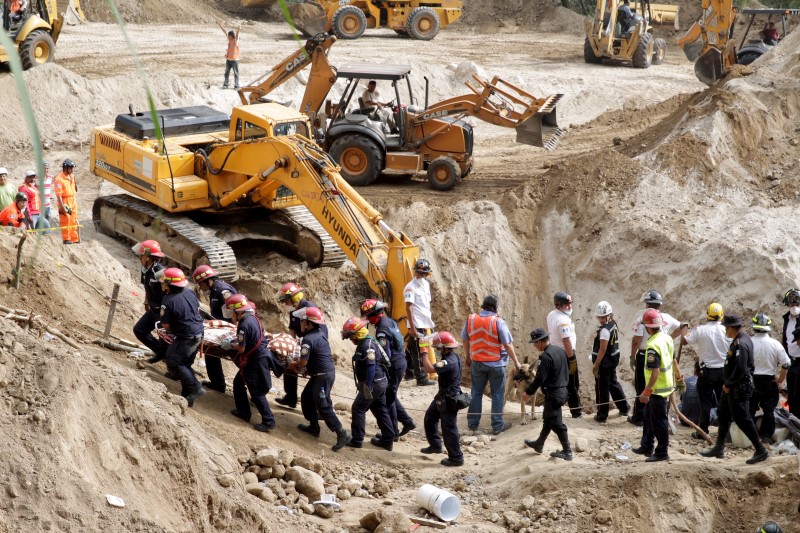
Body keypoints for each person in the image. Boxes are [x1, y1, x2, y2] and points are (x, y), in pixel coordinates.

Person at [700, 315, 769, 464]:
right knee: (722, 413)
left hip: (738, 387)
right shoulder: (741, 340)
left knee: (742, 418)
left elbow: (741, 369)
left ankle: (760, 449)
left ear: (731, 328)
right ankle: (719, 447)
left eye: (726, 328)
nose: (725, 331)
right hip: (733, 386)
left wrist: (728, 385)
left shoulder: (741, 344)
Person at [291, 306, 352, 451]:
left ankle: (341, 433)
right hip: (322, 374)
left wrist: (295, 365)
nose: (301, 324)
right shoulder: (320, 333)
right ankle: (313, 426)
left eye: (303, 322)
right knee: (306, 397)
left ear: (309, 323)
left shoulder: (308, 339)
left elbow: (303, 361)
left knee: (323, 405)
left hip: (322, 377)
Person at [461, 294, 521, 435]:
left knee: (476, 392)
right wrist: (517, 362)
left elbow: (465, 339)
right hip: (496, 364)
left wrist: (467, 356)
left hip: (477, 362)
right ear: (496, 307)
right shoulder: (498, 322)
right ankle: (497, 425)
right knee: (498, 394)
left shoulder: (471, 319)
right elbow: (507, 344)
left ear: (483, 305)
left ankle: (473, 424)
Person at [361, 299, 416, 441]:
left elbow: (385, 354)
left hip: (394, 365)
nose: (367, 319)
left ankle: (393, 433)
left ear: (375, 314)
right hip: (400, 361)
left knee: (387, 399)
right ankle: (405, 423)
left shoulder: (382, 330)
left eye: (369, 316)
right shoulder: (389, 321)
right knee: (390, 395)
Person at [224, 294, 278, 432]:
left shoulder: (243, 325)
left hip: (255, 361)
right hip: (259, 357)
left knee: (256, 391)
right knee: (238, 383)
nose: (231, 316)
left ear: (238, 311)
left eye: (232, 312)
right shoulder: (253, 318)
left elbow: (242, 348)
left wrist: (231, 345)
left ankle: (268, 421)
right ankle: (244, 412)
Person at [628, 290, 682, 426]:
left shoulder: (643, 319)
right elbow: (682, 327)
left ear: (647, 304)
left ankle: (639, 417)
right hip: (663, 352)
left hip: (645, 354)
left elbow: (636, 340)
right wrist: (670, 338)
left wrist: (632, 356)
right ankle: (653, 415)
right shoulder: (666, 318)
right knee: (656, 387)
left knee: (642, 386)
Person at [341, 317, 395, 451]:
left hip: (375, 382)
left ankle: (357, 440)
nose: (350, 340)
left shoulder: (367, 346)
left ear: (356, 335)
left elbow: (371, 367)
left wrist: (368, 386)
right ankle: (388, 440)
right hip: (381, 381)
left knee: (358, 408)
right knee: (380, 409)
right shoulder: (369, 341)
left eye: (350, 337)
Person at [631, 309, 675, 462]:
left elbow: (655, 371)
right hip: (663, 386)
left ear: (647, 327)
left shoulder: (653, 346)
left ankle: (662, 452)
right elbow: (673, 360)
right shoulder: (667, 338)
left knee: (659, 421)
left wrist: (647, 391)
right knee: (649, 417)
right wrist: (679, 377)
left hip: (658, 389)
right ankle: (647, 446)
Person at [522, 327, 572, 460]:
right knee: (548, 419)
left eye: (534, 343)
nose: (534, 345)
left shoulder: (545, 356)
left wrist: (528, 392)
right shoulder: (560, 351)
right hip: (563, 391)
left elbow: (539, 378)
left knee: (556, 423)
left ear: (540, 342)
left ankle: (567, 451)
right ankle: (539, 443)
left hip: (554, 394)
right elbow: (567, 371)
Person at [159, 267, 206, 406]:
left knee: (174, 361)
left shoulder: (168, 301)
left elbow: (166, 325)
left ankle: (196, 388)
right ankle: (186, 397)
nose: (162, 284)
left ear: (169, 284)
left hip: (187, 336)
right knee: (186, 364)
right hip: (199, 332)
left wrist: (175, 329)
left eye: (163, 282)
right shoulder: (189, 292)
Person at [681, 302, 728, 439]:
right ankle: (723, 431)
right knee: (723, 402)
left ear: (708, 315)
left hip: (706, 372)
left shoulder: (701, 330)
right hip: (723, 372)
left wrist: (684, 327)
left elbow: (684, 341)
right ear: (721, 315)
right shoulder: (726, 330)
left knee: (705, 402)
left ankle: (703, 430)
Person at [420, 331, 464, 467]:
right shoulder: (453, 357)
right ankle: (435, 445)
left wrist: (424, 351)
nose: (437, 351)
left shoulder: (448, 362)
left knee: (449, 428)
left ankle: (456, 458)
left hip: (449, 399)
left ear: (445, 348)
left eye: (438, 348)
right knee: (430, 418)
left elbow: (428, 368)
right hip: (443, 396)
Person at [192, 265, 237, 393]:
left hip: (230, 329)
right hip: (221, 326)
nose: (200, 287)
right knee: (211, 353)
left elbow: (234, 314)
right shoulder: (215, 290)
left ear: (208, 280)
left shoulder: (223, 292)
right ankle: (218, 383)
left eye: (201, 284)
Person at [275, 282, 320, 408]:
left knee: (315, 373)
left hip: (312, 343)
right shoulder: (294, 310)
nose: (285, 304)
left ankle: (319, 406)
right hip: (302, 343)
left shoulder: (309, 309)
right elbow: (292, 329)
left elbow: (318, 331)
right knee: (289, 363)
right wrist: (290, 345)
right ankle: (290, 397)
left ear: (293, 299)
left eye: (286, 301)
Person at [750, 312, 790, 443]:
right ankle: (766, 437)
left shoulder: (748, 343)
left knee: (749, 409)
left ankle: (750, 436)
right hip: (769, 380)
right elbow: (786, 364)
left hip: (751, 380)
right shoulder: (775, 344)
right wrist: (780, 379)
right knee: (769, 410)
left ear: (754, 327)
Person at [591, 301, 630, 423]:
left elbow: (602, 349)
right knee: (613, 384)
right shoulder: (612, 324)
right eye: (599, 317)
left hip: (605, 363)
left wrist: (596, 365)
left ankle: (602, 415)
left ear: (608, 315)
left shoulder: (604, 331)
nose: (601, 319)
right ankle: (624, 408)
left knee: (603, 388)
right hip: (612, 360)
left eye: (603, 317)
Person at [131, 240, 167, 363]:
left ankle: (173, 366)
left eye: (141, 255)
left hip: (162, 311)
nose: (139, 258)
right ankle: (161, 353)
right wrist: (146, 301)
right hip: (153, 308)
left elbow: (169, 292)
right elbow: (147, 286)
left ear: (148, 257)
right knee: (139, 330)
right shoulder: (145, 269)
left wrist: (164, 313)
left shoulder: (159, 272)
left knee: (165, 338)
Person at [547, 291, 581, 418]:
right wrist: (571, 358)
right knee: (572, 384)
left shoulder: (552, 315)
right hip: (566, 355)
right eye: (567, 304)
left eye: (570, 303)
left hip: (556, 354)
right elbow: (566, 341)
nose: (570, 306)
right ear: (558, 305)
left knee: (557, 383)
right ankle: (576, 412)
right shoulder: (562, 320)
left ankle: (554, 410)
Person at [404, 258, 436, 386]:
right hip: (417, 324)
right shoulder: (410, 288)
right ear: (416, 273)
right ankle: (422, 378)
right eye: (420, 273)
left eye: (424, 274)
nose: (422, 276)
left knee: (413, 348)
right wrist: (413, 328)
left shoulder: (425, 285)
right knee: (420, 352)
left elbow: (426, 305)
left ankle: (409, 373)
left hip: (424, 322)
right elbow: (409, 308)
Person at [780, 288, 800, 415]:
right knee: (792, 394)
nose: (794, 307)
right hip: (791, 361)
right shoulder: (787, 319)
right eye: (791, 305)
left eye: (797, 304)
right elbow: (786, 340)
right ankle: (794, 421)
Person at [54, 159, 79, 244]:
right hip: (64, 200)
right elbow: (58, 195)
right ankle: (66, 238)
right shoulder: (59, 179)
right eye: (70, 168)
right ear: (65, 168)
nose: (72, 170)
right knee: (66, 220)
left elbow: (74, 185)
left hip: (72, 199)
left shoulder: (71, 176)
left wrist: (75, 183)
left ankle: (74, 238)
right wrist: (62, 206)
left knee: (73, 219)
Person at [219, 23, 240, 90]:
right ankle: (226, 84)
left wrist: (238, 30)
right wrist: (220, 26)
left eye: (228, 35)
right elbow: (225, 32)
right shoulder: (230, 41)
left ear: (231, 36)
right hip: (228, 60)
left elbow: (237, 36)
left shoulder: (235, 41)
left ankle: (236, 85)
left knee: (236, 73)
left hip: (234, 60)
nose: (227, 36)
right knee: (226, 73)